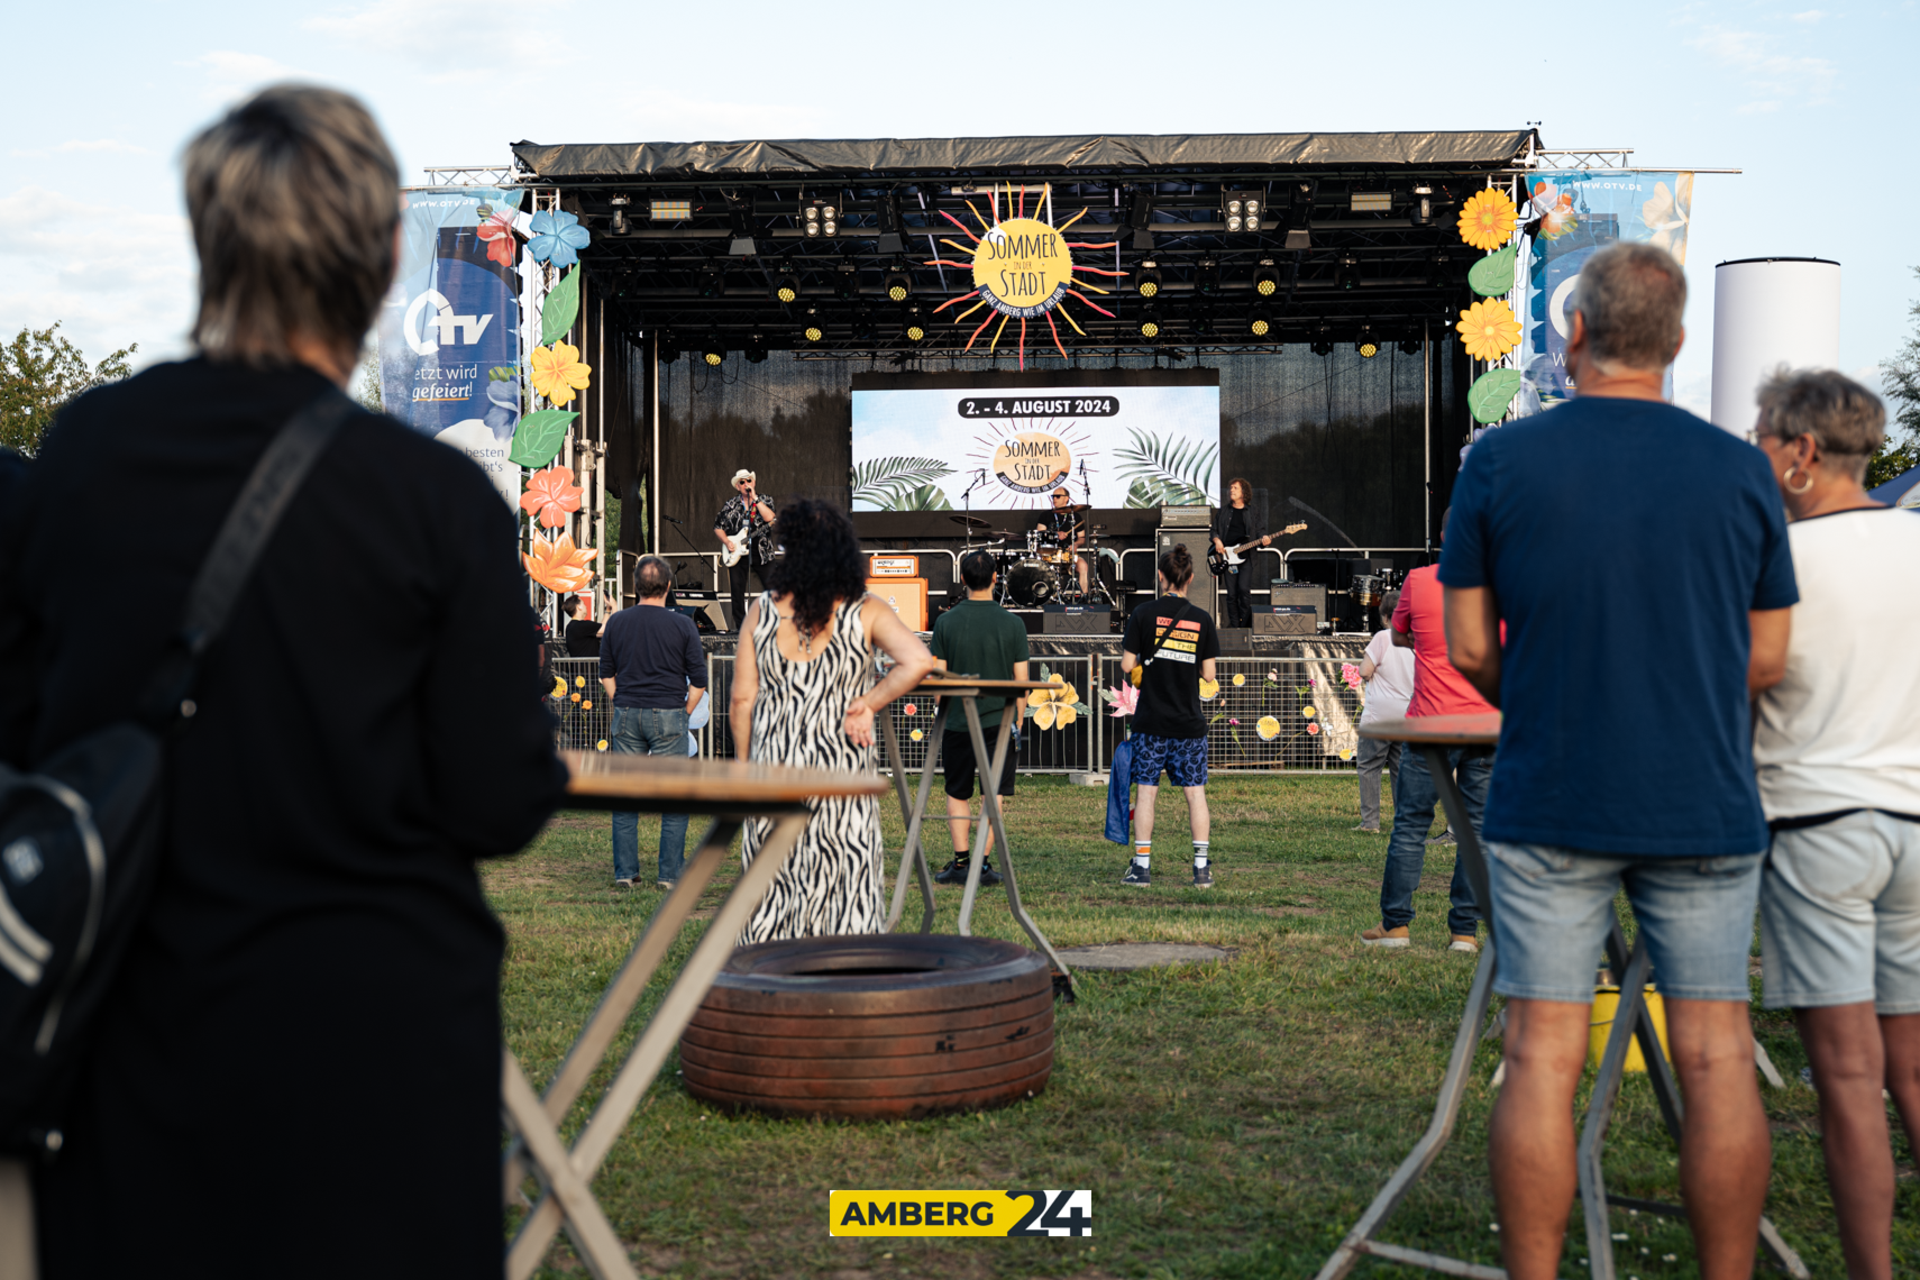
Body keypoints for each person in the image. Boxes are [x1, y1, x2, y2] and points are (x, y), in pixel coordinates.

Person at [0, 86, 569, 1278]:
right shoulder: (433, 502)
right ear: (372, 270)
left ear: (210, 246)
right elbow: (499, 800)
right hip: (379, 1057)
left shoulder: (78, 461)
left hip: (134, 1046)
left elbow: (34, 725)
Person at [1440, 242, 1797, 1280]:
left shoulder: (1500, 463)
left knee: (1541, 1057)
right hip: (1704, 799)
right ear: (1680, 343)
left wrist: (1551, 703)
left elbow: (1467, 647)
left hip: (1553, 789)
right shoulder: (1742, 467)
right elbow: (1768, 654)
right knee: (1719, 1054)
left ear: (1575, 335)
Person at [1748, 369, 1920, 1280]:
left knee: (1851, 1081)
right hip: (1917, 829)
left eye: (1763, 440)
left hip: (1820, 826)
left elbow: (1741, 691)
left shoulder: (1783, 564)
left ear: (1803, 453)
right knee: (1915, 1071)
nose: (1756, 455)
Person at [729, 498, 934, 941]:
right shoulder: (865, 608)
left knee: (771, 892)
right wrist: (869, 703)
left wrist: (744, 767)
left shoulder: (762, 609)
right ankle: (846, 989)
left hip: (773, 770)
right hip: (841, 773)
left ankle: (771, 988)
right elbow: (918, 660)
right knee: (848, 885)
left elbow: (742, 700)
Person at [1358, 512, 1494, 951]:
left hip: (1432, 721)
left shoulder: (1418, 580)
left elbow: (1397, 636)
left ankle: (1396, 927)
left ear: (1441, 536)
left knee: (1411, 823)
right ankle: (1464, 933)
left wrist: (1428, 641)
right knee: (1475, 831)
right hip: (1485, 723)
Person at [599, 554, 708, 888]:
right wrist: (684, 713)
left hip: (628, 714)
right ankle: (669, 875)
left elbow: (605, 674)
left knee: (626, 798)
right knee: (674, 798)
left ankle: (625, 874)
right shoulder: (683, 624)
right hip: (669, 715)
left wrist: (622, 702)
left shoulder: (616, 622)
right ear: (669, 586)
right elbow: (699, 680)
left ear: (635, 587)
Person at [1118, 543, 1221, 889]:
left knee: (1146, 793)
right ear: (1190, 578)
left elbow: (1127, 665)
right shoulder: (1202, 619)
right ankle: (1201, 869)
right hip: (1188, 724)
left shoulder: (1143, 614)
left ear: (1161, 578)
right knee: (1196, 795)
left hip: (1150, 723)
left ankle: (1142, 868)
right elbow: (1209, 675)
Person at [928, 549, 1029, 887]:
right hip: (999, 724)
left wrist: (941, 716)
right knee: (992, 795)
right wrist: (1018, 722)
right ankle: (982, 867)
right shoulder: (1013, 624)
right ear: (996, 579)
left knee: (957, 792)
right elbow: (1021, 683)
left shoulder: (945, 622)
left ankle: (960, 863)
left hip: (956, 721)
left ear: (962, 579)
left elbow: (939, 682)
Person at [1353, 587, 1413, 834]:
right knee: (1401, 771)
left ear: (1386, 616)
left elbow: (1365, 671)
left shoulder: (1382, 637)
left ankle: (1370, 822)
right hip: (1407, 717)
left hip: (1379, 718)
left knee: (1369, 767)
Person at [714, 468, 776, 632]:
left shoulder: (765, 499)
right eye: (742, 482)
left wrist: (755, 498)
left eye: (748, 480)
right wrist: (727, 541)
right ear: (737, 486)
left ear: (753, 482)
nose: (746, 484)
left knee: (773, 589)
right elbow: (718, 527)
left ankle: (773, 626)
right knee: (737, 592)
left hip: (762, 552)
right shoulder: (731, 505)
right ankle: (741, 629)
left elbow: (770, 518)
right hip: (737, 552)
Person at [1210, 477, 1271, 628]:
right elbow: (1214, 530)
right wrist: (1217, 540)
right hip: (1228, 557)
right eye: (1231, 488)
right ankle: (1235, 626)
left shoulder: (1252, 511)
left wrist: (1264, 539)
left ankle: (1244, 625)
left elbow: (1260, 531)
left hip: (1247, 557)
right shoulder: (1224, 511)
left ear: (1244, 492)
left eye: (1235, 488)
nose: (1231, 490)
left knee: (1244, 589)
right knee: (1231, 594)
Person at [1036, 486, 1091, 597]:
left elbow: (1082, 538)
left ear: (1066, 498)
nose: (1054, 499)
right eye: (1053, 496)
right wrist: (1056, 534)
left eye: (1057, 496)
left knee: (1083, 566)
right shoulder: (1045, 515)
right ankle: (1046, 597)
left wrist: (1076, 544)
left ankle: (1084, 597)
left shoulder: (1075, 516)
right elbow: (1039, 534)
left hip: (1068, 554)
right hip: (1049, 554)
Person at [561, 592, 601, 658]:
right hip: (589, 668)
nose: (586, 606)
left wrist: (607, 611)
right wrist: (614, 606)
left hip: (580, 667)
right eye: (583, 603)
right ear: (578, 607)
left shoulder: (571, 626)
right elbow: (608, 628)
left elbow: (601, 628)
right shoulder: (582, 626)